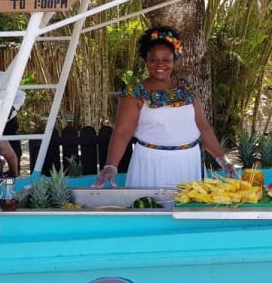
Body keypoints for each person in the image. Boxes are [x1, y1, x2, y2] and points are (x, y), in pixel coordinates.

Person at [93, 27, 234, 188]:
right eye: (153, 60)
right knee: (151, 204)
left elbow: (202, 126)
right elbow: (122, 132)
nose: (160, 65)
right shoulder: (135, 93)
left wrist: (222, 159)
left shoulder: (185, 89)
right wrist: (111, 166)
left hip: (190, 162)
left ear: (174, 60)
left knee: (189, 203)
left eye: (166, 60)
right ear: (146, 60)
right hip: (152, 164)